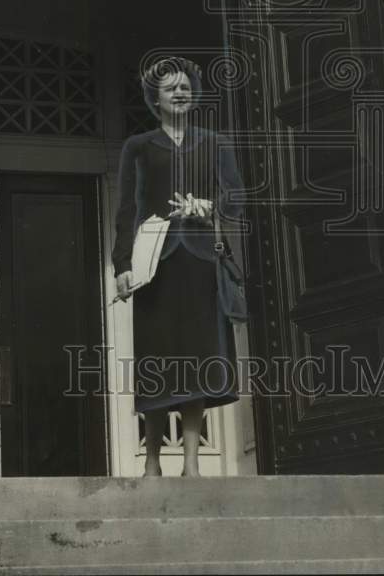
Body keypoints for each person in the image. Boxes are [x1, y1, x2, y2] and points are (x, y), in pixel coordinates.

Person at [112, 56, 246, 477]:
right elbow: (126, 208)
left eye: (186, 86)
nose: (180, 93)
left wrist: (211, 206)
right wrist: (122, 265)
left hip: (201, 261)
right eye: (171, 88)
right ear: (155, 97)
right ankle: (151, 462)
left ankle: (191, 465)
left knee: (196, 359)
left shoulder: (216, 143)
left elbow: (237, 198)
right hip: (155, 264)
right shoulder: (137, 146)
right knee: (158, 362)